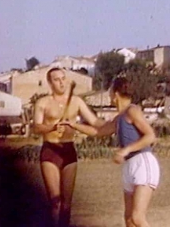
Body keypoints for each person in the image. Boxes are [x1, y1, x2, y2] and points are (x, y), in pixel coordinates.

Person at [68, 76, 159, 227]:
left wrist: (125, 150)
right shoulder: (120, 118)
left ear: (115, 94)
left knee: (137, 218)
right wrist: (74, 125)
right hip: (130, 165)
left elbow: (150, 136)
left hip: (143, 162)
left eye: (110, 91)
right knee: (129, 220)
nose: (110, 95)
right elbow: (99, 131)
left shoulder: (132, 110)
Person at [34, 67, 106, 227]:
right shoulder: (43, 102)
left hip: (68, 151)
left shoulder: (76, 101)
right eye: (56, 79)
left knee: (67, 204)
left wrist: (115, 124)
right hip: (50, 151)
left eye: (63, 78)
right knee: (55, 202)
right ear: (49, 83)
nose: (61, 82)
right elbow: (36, 127)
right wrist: (52, 127)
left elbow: (94, 122)